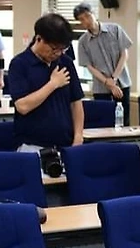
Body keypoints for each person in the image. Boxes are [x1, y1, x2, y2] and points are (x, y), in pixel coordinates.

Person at [6, 13, 83, 152]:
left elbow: (76, 103)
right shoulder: (19, 64)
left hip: (66, 145)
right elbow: (22, 106)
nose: (58, 53)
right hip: (32, 146)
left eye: (62, 49)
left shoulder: (65, 62)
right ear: (39, 39)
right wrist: (53, 84)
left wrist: (78, 136)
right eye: (54, 48)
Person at [72, 2, 133, 114]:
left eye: (87, 16)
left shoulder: (115, 29)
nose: (86, 21)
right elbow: (89, 66)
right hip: (100, 88)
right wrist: (107, 82)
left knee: (123, 118)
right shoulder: (83, 42)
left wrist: (114, 78)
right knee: (104, 119)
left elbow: (124, 54)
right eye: (82, 19)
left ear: (93, 13)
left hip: (122, 82)